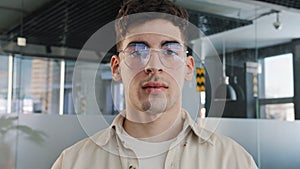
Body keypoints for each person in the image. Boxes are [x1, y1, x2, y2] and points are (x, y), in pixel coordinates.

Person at [52, 0, 258, 168]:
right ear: (116, 68)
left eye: (169, 51)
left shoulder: (233, 161)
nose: (153, 65)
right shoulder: (72, 162)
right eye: (137, 51)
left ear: (188, 67)